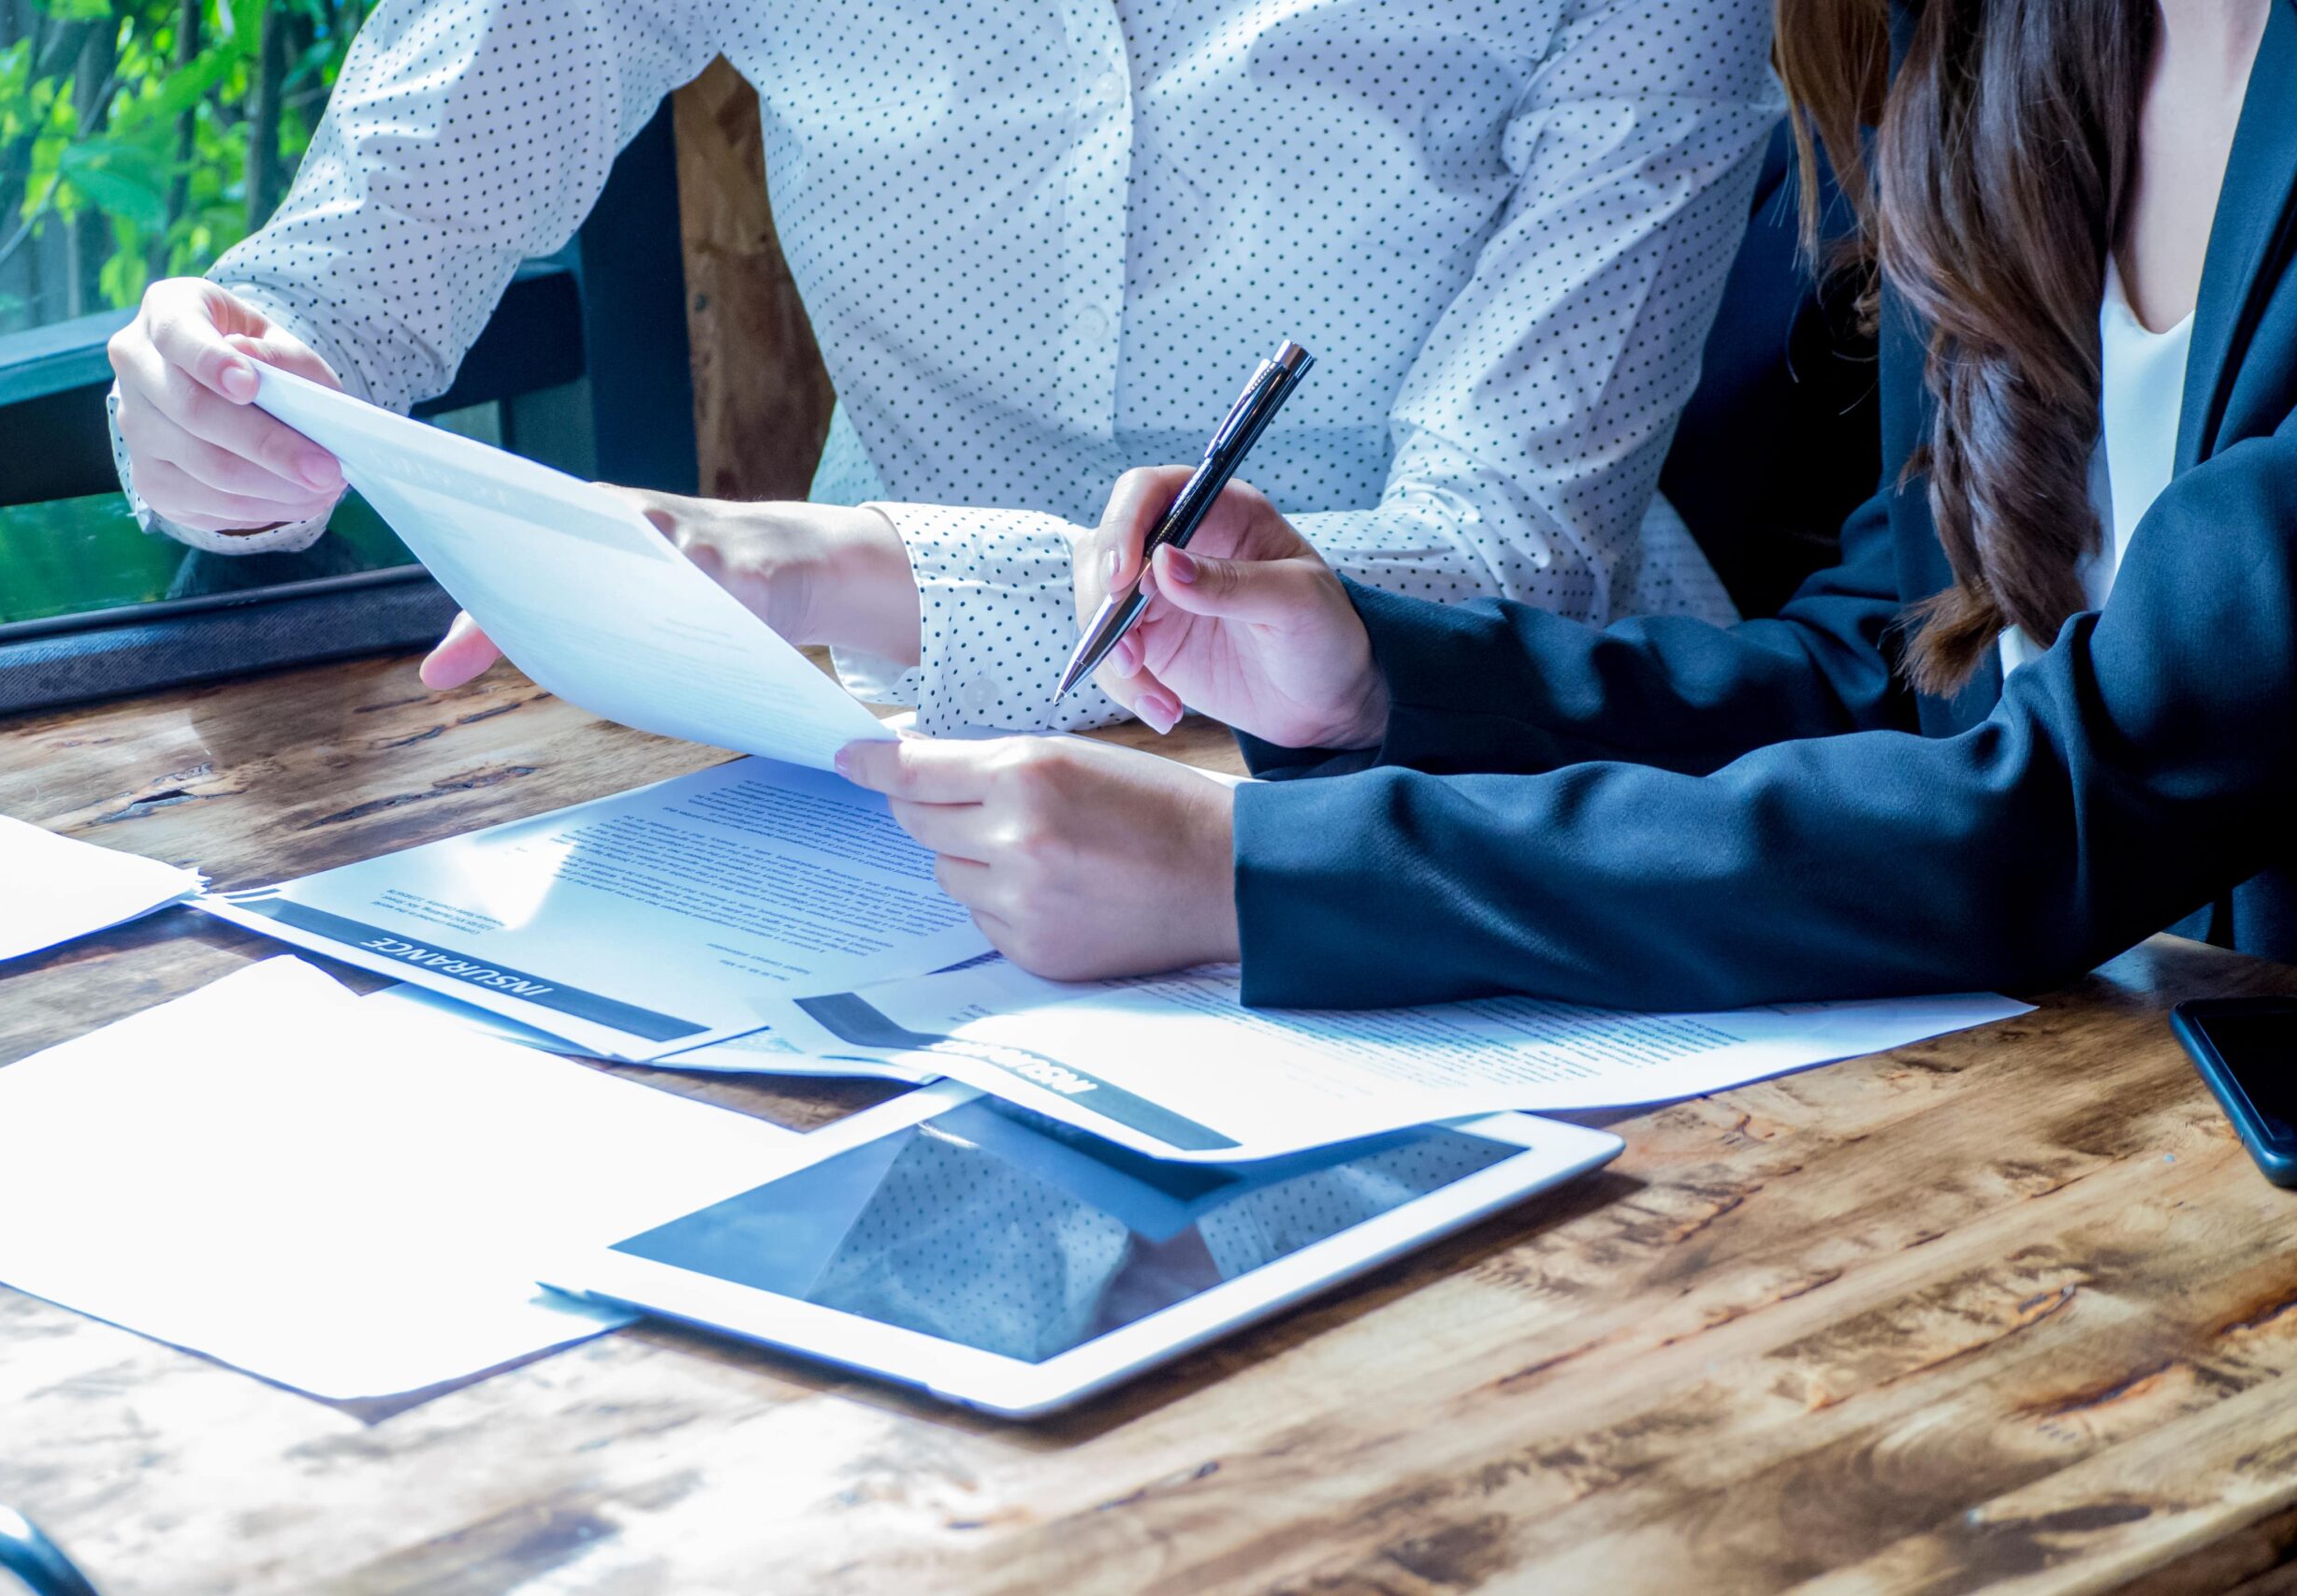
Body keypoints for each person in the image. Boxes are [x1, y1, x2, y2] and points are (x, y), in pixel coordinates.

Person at [836, 0, 2297, 1010]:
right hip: (2082, 1088)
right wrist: (1378, 677)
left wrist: (1253, 875)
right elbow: (1921, 673)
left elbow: (2067, 801)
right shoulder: (1994, 40)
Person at [104, 0, 1782, 737]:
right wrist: (228, 413)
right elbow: (344, 296)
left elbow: (1522, 553)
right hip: (872, 787)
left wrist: (880, 574)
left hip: (1478, 790)